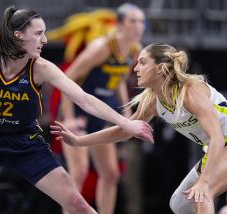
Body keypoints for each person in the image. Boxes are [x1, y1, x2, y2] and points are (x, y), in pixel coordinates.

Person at [0, 5, 153, 214]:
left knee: (78, 204)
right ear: (18, 36)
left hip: (24, 144)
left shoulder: (41, 68)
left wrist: (126, 122)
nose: (45, 40)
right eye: (39, 34)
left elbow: (84, 98)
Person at [52, 43, 227, 214]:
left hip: (220, 144)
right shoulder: (152, 101)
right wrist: (80, 141)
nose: (135, 69)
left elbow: (217, 138)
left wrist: (204, 181)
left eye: (142, 62)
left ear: (160, 68)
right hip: (217, 148)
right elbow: (123, 131)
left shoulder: (190, 91)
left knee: (202, 194)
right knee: (180, 204)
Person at [60, 3, 145, 214]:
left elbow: (119, 81)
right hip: (79, 111)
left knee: (111, 174)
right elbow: (67, 79)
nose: (138, 26)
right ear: (120, 24)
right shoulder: (102, 47)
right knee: (78, 173)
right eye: (133, 21)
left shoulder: (134, 49)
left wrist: (126, 113)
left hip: (101, 113)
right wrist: (69, 117)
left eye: (142, 21)